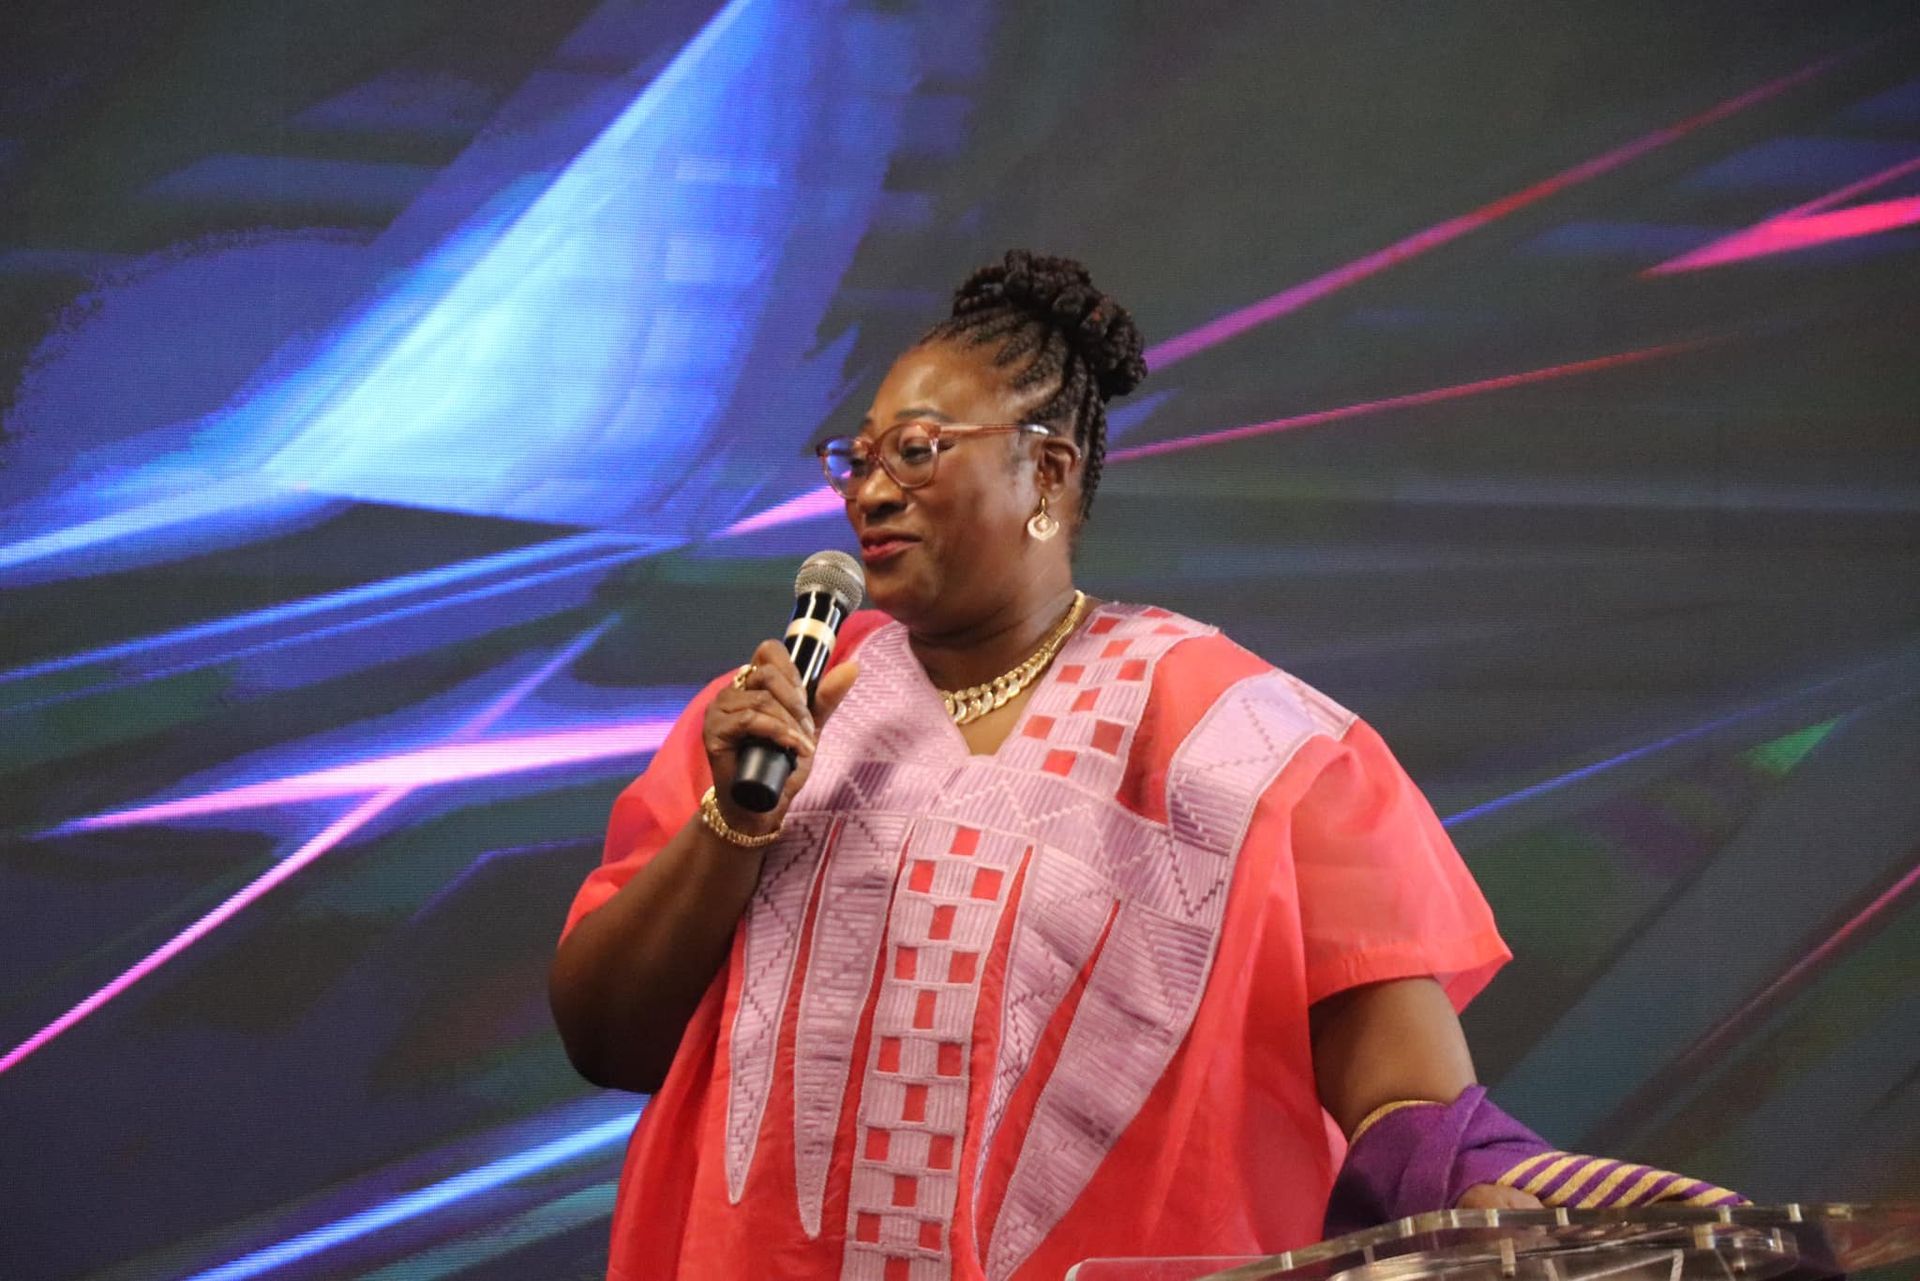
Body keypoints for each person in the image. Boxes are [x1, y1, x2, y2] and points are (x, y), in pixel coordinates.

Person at [550, 252, 1737, 1281]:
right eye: (853, 458)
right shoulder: (771, 719)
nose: (868, 489)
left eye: (915, 451)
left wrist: (1498, 1188)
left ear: (1049, 474)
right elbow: (608, 1039)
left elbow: (1407, 1098)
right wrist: (736, 817)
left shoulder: (1243, 738)